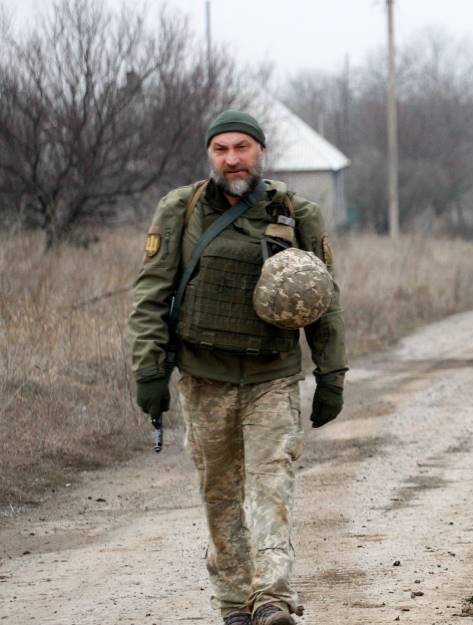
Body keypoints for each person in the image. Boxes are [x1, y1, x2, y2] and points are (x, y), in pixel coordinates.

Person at [128, 110, 347, 625]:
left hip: (271, 378)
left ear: (261, 152)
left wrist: (331, 374)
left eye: (242, 148)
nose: (232, 159)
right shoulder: (180, 210)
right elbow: (150, 295)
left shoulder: (296, 213)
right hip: (203, 381)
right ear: (210, 153)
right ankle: (233, 603)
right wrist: (148, 371)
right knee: (220, 494)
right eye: (222, 149)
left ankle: (272, 596)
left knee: (271, 486)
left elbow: (324, 298)